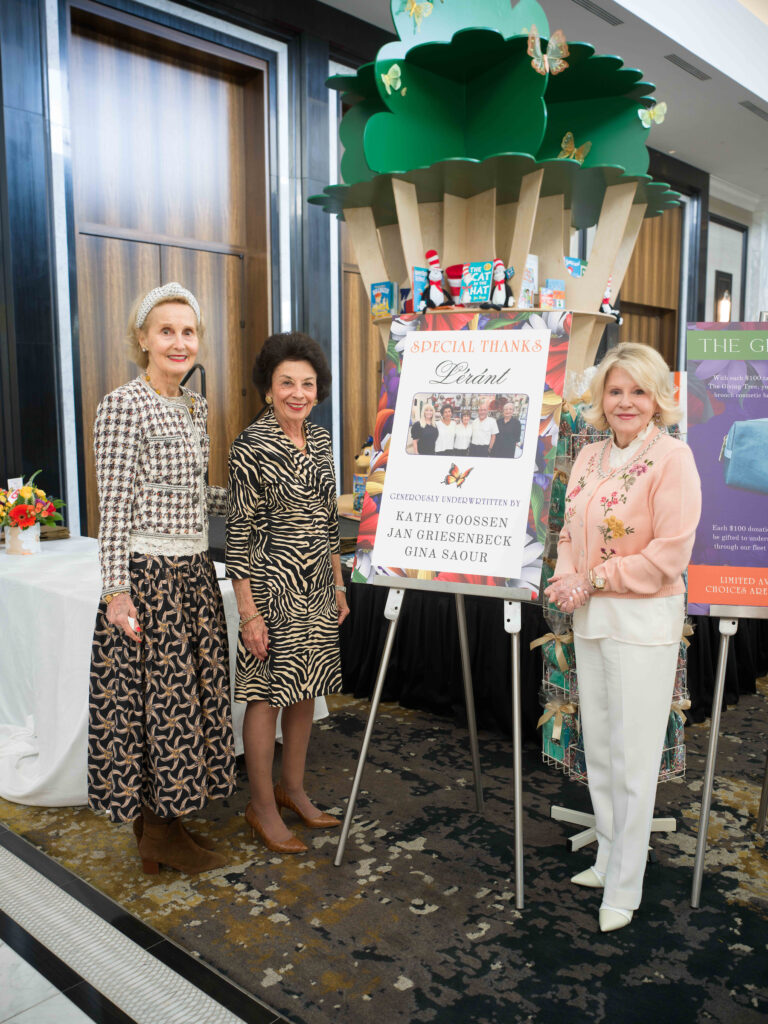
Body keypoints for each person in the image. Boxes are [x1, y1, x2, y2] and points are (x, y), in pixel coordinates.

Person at [544, 342, 701, 933]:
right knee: (604, 752)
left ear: (658, 397)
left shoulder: (674, 458)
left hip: (642, 625)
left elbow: (669, 554)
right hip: (591, 618)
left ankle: (626, 885)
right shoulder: (588, 457)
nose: (626, 402)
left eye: (638, 391)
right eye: (616, 391)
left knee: (635, 761)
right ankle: (609, 853)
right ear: (600, 398)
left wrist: (594, 578)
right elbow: (567, 529)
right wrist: (567, 576)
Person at [89, 282, 236, 875]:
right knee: (157, 707)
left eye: (189, 331)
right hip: (151, 580)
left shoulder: (193, 405)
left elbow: (190, 496)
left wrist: (244, 498)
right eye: (167, 331)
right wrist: (115, 590)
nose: (180, 342)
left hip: (195, 573)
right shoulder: (123, 405)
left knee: (185, 702)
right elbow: (115, 506)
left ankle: (164, 829)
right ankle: (157, 834)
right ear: (143, 339)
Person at [226, 332, 350, 854]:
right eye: (286, 383)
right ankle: (260, 805)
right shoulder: (249, 448)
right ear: (269, 388)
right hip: (272, 591)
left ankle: (292, 789)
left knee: (306, 690)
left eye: (307, 384)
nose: (298, 393)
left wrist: (340, 586)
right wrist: (249, 613)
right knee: (264, 698)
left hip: (318, 587)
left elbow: (328, 522)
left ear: (317, 390)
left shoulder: (320, 442)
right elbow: (239, 535)